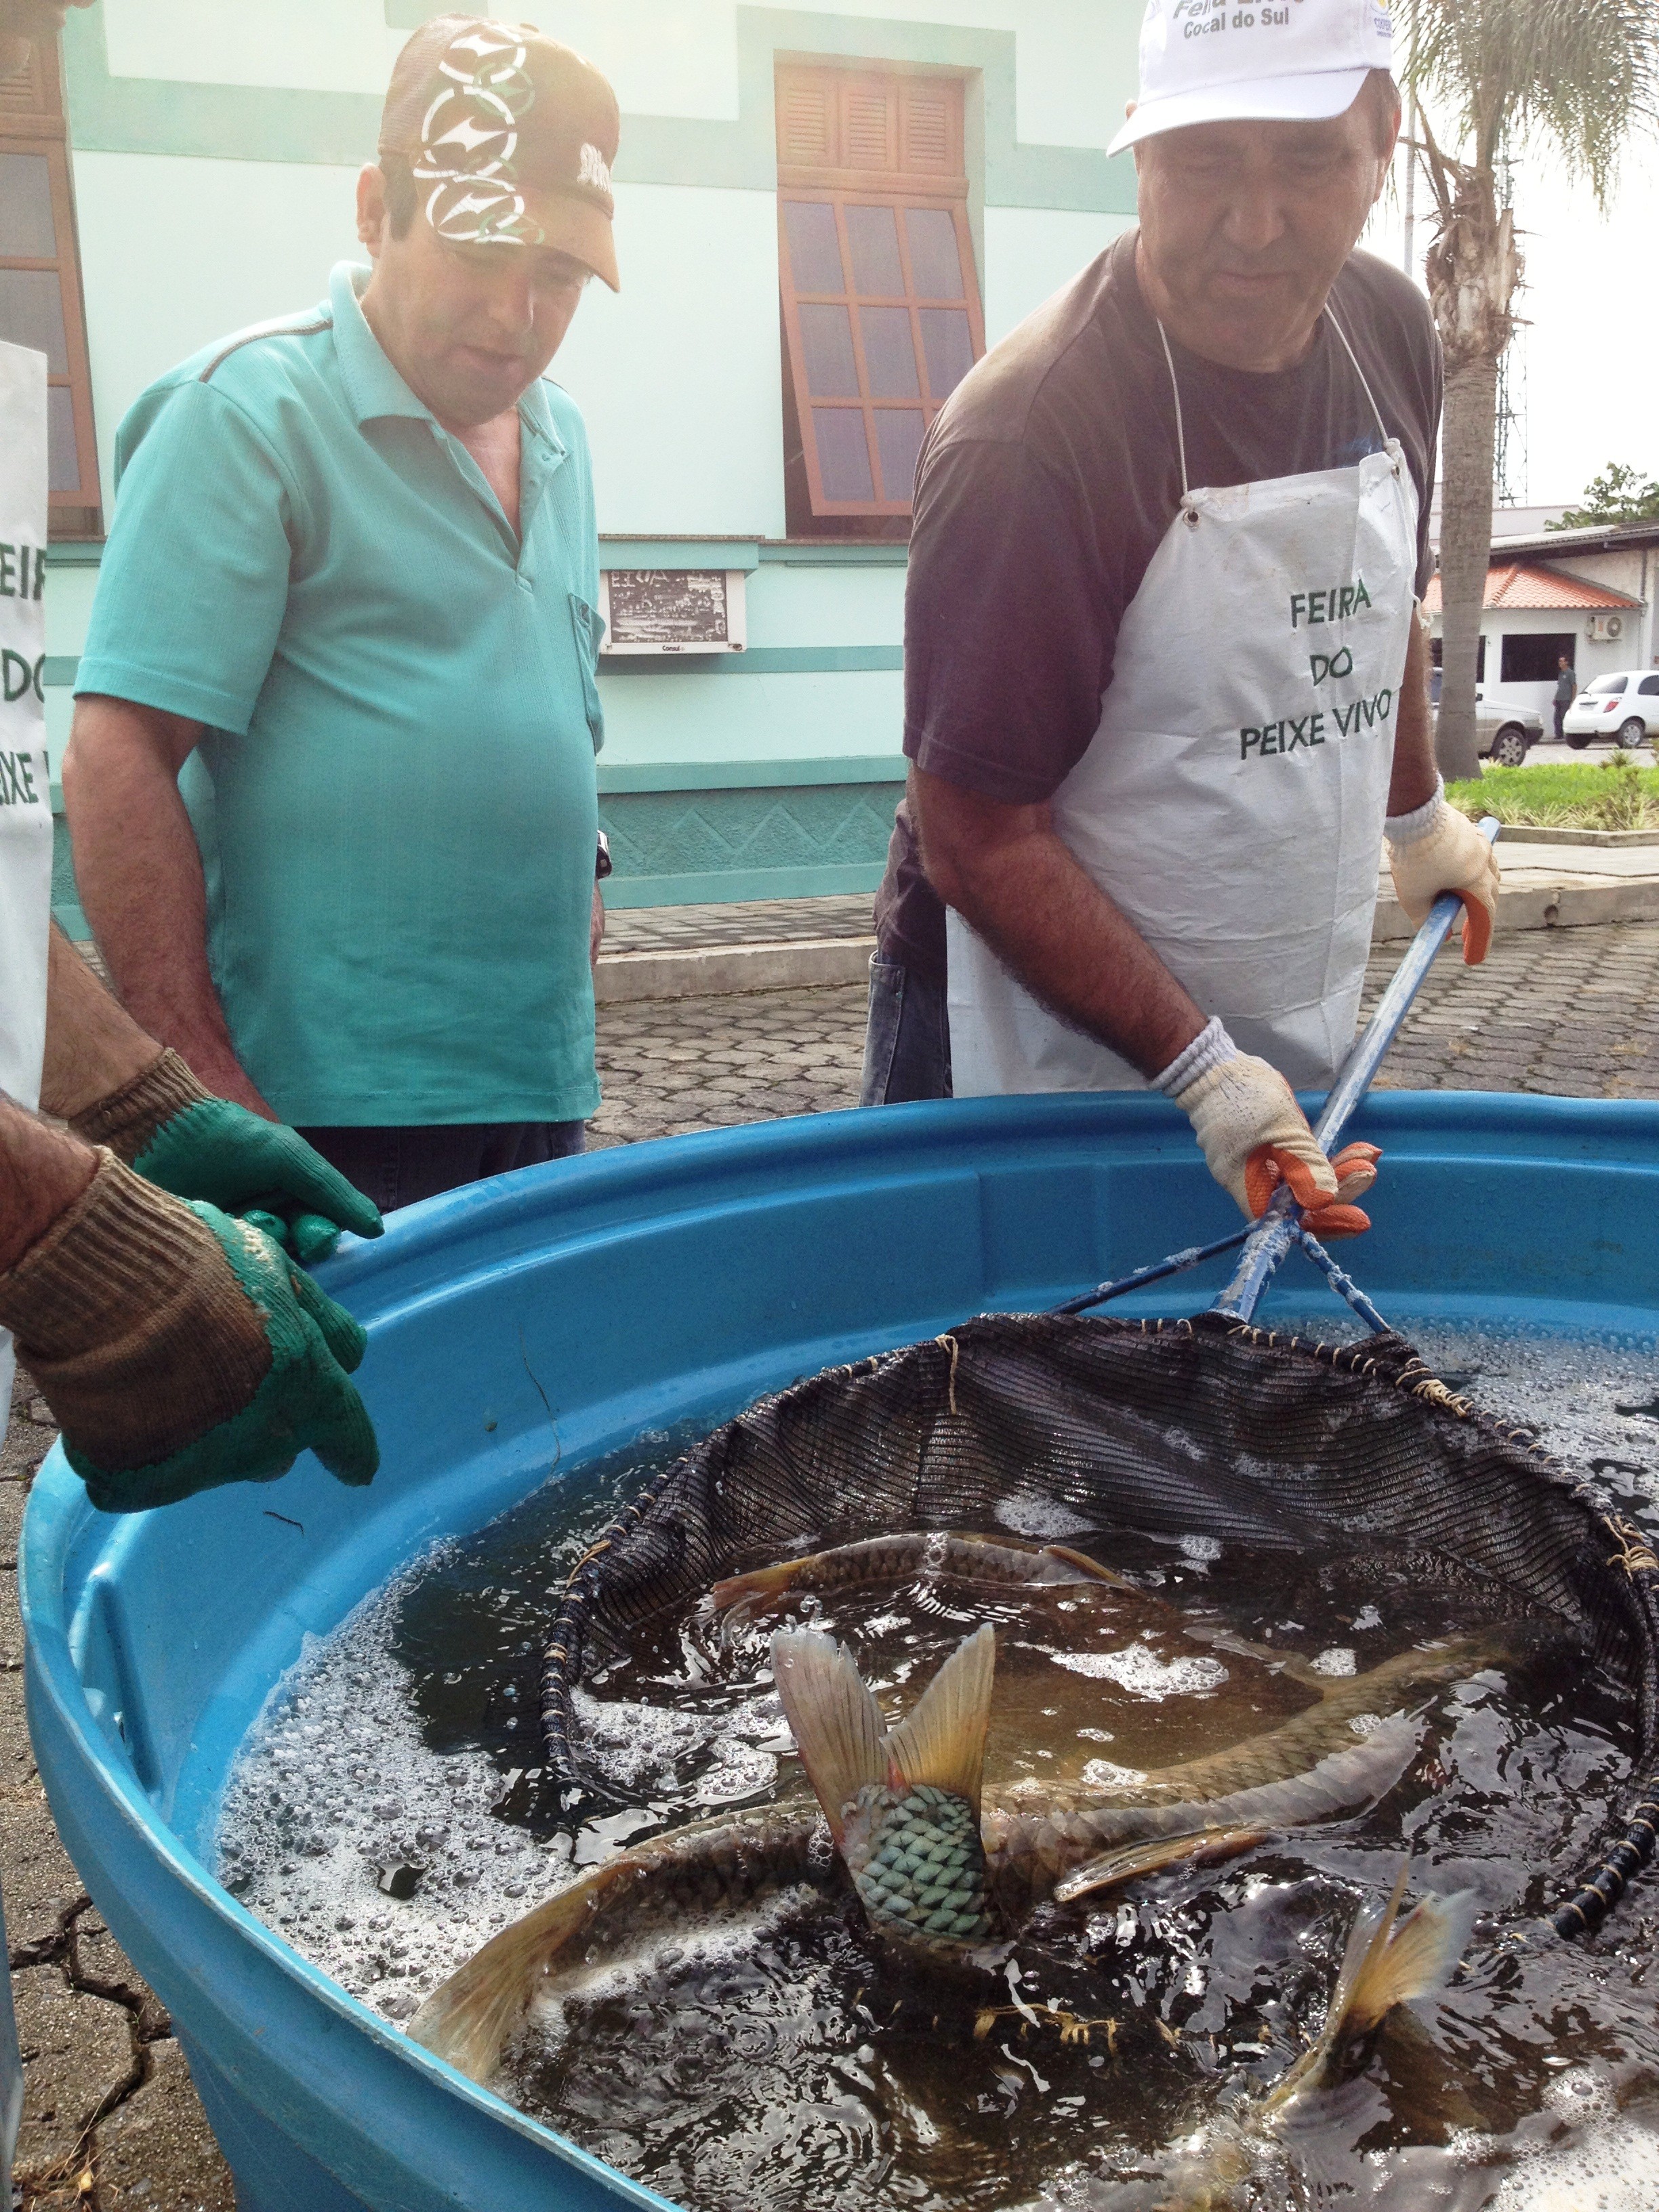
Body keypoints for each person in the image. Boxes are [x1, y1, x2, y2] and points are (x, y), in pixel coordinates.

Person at [862, 0, 1500, 1239]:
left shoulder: (1386, 330)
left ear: (1381, 137)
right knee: (1001, 1380)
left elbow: (1372, 607)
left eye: (1306, 159)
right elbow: (976, 840)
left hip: (1263, 1014)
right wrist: (1199, 1073)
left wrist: (1415, 816)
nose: (1252, 226)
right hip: (1023, 1034)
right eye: (1206, 163)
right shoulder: (1031, 436)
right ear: (1139, 154)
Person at [62, 16, 621, 1214]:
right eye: (481, 252)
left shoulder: (564, 434)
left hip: (534, 1091)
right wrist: (198, 1090)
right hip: (314, 1109)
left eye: (559, 276)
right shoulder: (244, 414)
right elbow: (119, 753)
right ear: (376, 208)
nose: (516, 315)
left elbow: (556, 721)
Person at [1554, 654, 1578, 742]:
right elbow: (1560, 687)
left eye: (1562, 661)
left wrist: (1573, 699)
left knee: (1564, 717)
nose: (1560, 663)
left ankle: (1567, 735)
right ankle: (1558, 735)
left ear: (1566, 662)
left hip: (1566, 699)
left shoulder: (1570, 673)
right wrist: (1555, 698)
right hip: (1559, 699)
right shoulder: (1561, 674)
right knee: (1557, 718)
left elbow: (1574, 686)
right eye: (1559, 661)